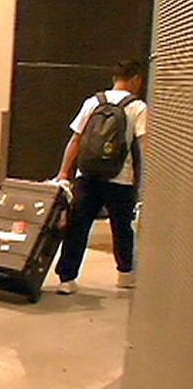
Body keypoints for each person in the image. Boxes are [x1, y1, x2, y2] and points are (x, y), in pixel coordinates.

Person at [54, 59, 148, 295]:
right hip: (120, 178)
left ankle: (67, 279)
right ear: (136, 79)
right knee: (122, 227)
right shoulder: (137, 108)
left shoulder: (93, 102)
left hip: (86, 175)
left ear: (115, 78)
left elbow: (75, 140)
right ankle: (125, 274)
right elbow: (146, 145)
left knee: (78, 226)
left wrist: (64, 172)